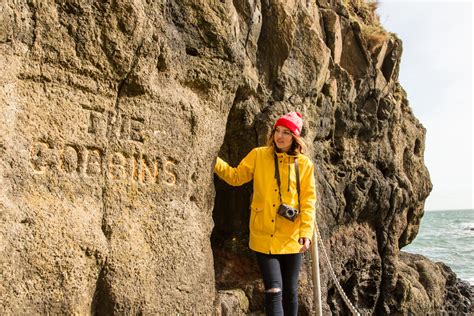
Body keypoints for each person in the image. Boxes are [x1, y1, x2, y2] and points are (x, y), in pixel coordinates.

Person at [214, 111, 317, 316]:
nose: (279, 136)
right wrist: (212, 159)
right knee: (274, 290)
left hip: (292, 238)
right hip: (264, 237)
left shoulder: (304, 164)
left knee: (290, 291)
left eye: (286, 132)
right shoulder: (259, 155)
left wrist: (306, 232)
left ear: (295, 137)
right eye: (277, 130)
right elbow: (235, 177)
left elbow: (308, 201)